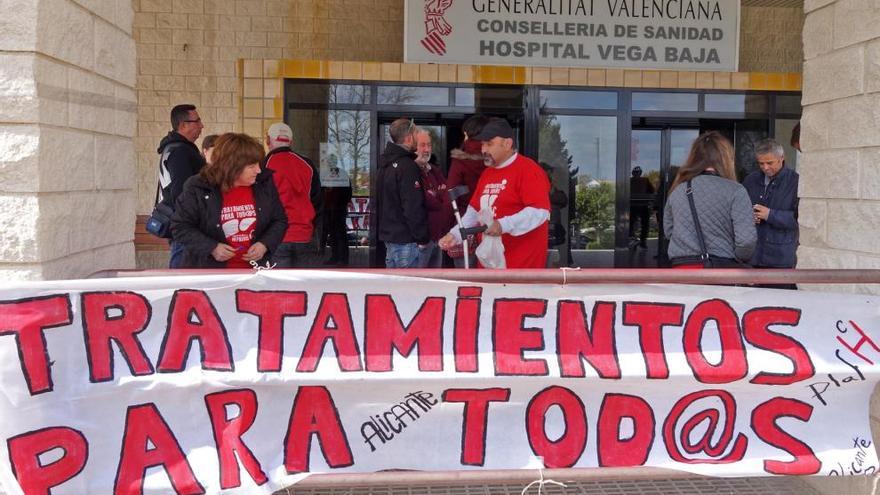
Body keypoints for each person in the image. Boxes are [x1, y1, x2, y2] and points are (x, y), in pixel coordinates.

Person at [438, 117, 551, 268]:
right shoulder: (488, 173)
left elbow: (539, 212)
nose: (484, 149)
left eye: (489, 144)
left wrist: (503, 225)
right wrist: (456, 234)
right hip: (489, 267)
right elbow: (474, 211)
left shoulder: (528, 170)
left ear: (507, 144)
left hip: (521, 269)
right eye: (483, 144)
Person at [171, 133, 287, 269]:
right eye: (251, 166)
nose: (258, 170)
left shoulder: (264, 183)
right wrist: (211, 247)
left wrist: (264, 244)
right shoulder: (198, 186)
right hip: (209, 273)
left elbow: (280, 220)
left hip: (255, 273)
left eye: (258, 164)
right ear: (232, 167)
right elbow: (180, 226)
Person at [663, 131, 756, 268]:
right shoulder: (736, 191)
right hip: (718, 271)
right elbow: (746, 241)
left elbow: (669, 231)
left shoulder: (678, 190)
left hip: (681, 269)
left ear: (694, 157)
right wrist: (734, 257)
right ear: (726, 158)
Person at [262, 122, 323, 268]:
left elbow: (261, 206)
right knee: (307, 287)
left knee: (280, 288)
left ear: (268, 140)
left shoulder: (263, 165)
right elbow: (318, 201)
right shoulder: (307, 164)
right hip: (305, 235)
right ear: (291, 141)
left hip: (277, 238)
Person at [155, 104, 206, 268]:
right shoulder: (180, 151)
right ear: (183, 125)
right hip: (185, 226)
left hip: (182, 224)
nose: (201, 125)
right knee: (182, 273)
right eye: (197, 121)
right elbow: (182, 191)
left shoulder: (176, 148)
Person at [376, 118, 429, 268]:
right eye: (416, 134)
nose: (418, 138)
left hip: (390, 239)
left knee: (394, 289)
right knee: (410, 290)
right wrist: (422, 238)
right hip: (407, 241)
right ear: (409, 138)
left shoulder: (384, 165)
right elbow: (413, 206)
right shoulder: (407, 166)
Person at [743, 138, 799, 274]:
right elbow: (739, 210)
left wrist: (770, 215)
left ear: (782, 158)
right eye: (761, 163)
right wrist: (748, 216)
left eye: (769, 163)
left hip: (781, 260)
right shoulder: (750, 180)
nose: (765, 167)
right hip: (752, 257)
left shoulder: (795, 181)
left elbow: (801, 220)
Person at [446, 114, 489, 267]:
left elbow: (450, 196)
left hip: (465, 225)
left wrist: (448, 229)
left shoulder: (461, 161)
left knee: (466, 277)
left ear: (467, 134)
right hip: (491, 225)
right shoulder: (495, 160)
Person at [414, 130, 452, 268]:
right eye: (422, 145)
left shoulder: (434, 170)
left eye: (429, 145)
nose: (427, 149)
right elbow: (426, 200)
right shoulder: (410, 171)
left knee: (434, 285)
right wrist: (438, 194)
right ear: (413, 147)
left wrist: (437, 194)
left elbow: (447, 195)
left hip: (437, 237)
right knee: (417, 284)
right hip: (421, 241)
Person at [322, 166, 353, 267]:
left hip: (338, 209)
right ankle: (335, 257)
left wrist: (340, 204)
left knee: (340, 235)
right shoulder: (325, 175)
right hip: (328, 209)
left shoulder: (342, 176)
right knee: (332, 235)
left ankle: (342, 259)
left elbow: (348, 193)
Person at [629, 165, 655, 248]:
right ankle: (640, 241)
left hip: (635, 205)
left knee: (633, 223)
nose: (637, 175)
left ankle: (636, 240)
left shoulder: (631, 181)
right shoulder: (644, 180)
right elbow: (652, 191)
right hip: (640, 205)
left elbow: (651, 191)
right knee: (643, 224)